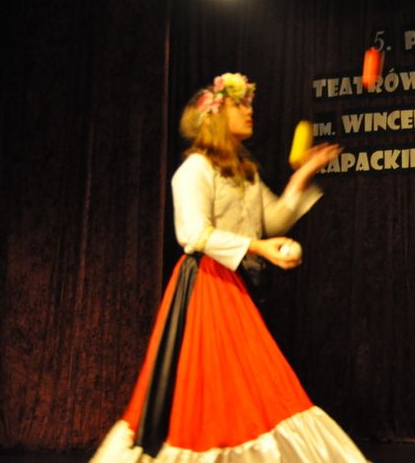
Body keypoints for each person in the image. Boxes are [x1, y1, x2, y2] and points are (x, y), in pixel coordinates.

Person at [91, 73, 367, 462]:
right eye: (241, 105)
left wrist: (302, 176)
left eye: (249, 105)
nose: (250, 111)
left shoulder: (243, 172)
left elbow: (274, 220)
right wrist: (258, 247)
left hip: (233, 285)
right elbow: (193, 234)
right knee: (222, 386)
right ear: (216, 115)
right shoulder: (195, 169)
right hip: (206, 285)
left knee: (242, 384)